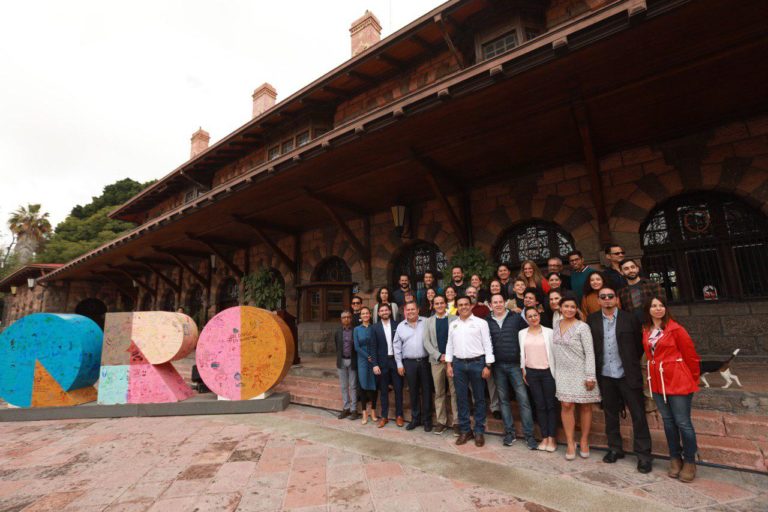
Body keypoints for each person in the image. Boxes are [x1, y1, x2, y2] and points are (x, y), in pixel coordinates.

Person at [586, 287, 652, 473]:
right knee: (610, 414)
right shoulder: (592, 320)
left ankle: (643, 455)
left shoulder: (629, 318)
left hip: (627, 374)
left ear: (616, 299)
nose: (607, 299)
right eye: (603, 297)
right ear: (598, 301)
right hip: (605, 374)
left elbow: (639, 346)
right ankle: (615, 448)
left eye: (610, 296)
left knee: (638, 415)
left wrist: (630, 363)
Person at [643, 296, 701, 482]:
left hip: (678, 380)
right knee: (668, 421)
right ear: (648, 309)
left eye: (661, 305)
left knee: (683, 422)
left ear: (666, 308)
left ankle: (690, 460)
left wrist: (692, 378)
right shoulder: (646, 330)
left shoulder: (676, 329)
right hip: (658, 382)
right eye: (654, 306)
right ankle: (675, 457)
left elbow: (691, 356)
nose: (658, 308)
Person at [552, 294, 600, 460]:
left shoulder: (582, 327)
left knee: (585, 406)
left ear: (577, 309)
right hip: (562, 372)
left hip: (581, 371)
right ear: (560, 308)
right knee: (566, 405)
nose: (569, 309)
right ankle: (570, 442)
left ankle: (584, 440)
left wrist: (590, 376)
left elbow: (590, 352)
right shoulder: (556, 325)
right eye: (566, 306)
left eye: (573, 307)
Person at [487, 294, 536, 449]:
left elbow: (527, 335)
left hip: (515, 365)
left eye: (500, 301)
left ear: (505, 303)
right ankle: (509, 432)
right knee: (503, 400)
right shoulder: (487, 321)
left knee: (523, 399)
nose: (498, 304)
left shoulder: (515, 318)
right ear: (490, 305)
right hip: (498, 366)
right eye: (495, 302)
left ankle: (529, 435)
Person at [446, 296, 495, 447]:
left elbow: (488, 344)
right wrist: (448, 364)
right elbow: (449, 345)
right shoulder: (453, 324)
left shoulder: (481, 323)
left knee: (479, 398)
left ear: (471, 305)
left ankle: (479, 431)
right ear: (457, 307)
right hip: (458, 365)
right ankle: (465, 431)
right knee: (461, 399)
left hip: (477, 363)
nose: (463, 307)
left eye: (466, 304)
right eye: (460, 305)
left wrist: (488, 365)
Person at [519, 307, 557, 452]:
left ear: (539, 315)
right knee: (539, 405)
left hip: (548, 373)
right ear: (526, 319)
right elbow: (522, 353)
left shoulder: (549, 332)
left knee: (550, 405)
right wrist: (523, 369)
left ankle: (552, 438)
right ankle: (544, 437)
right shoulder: (522, 333)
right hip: (532, 373)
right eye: (530, 316)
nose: (533, 318)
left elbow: (554, 353)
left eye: (535, 315)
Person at [393, 301, 432, 432]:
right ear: (405, 312)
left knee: (427, 391)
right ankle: (415, 419)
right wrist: (399, 364)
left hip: (425, 362)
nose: (410, 312)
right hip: (409, 363)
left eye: (412, 309)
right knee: (413, 391)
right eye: (408, 310)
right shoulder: (400, 326)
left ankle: (427, 420)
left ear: (418, 310)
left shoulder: (426, 322)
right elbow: (396, 346)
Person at [423, 295, 457, 435]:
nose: (439, 305)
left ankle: (457, 422)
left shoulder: (455, 319)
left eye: (441, 303)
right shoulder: (428, 321)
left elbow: (458, 339)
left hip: (452, 361)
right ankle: (441, 421)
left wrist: (449, 356)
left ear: (445, 304)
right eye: (436, 303)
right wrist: (438, 355)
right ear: (433, 305)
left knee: (455, 392)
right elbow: (426, 342)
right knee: (439, 392)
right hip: (436, 362)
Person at [370, 303, 404, 428]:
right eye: (382, 310)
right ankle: (384, 416)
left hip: (396, 362)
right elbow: (373, 347)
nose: (384, 312)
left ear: (390, 311)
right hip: (382, 363)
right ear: (379, 313)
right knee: (383, 391)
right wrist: (374, 364)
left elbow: (402, 344)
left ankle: (399, 416)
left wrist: (402, 363)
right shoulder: (374, 327)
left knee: (398, 389)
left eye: (386, 310)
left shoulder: (398, 325)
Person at [354, 307, 378, 425]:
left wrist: (372, 358)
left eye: (367, 313)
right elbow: (356, 347)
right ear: (360, 316)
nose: (365, 315)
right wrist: (367, 356)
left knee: (374, 386)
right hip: (362, 360)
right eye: (363, 313)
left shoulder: (374, 328)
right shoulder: (357, 329)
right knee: (363, 386)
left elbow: (376, 344)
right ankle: (364, 412)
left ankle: (373, 411)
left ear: (370, 315)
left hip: (374, 359)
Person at [334, 310, 359, 420]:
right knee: (344, 386)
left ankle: (354, 409)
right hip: (341, 361)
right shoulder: (338, 332)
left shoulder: (356, 331)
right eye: (344, 317)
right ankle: (346, 408)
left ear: (351, 318)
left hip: (352, 361)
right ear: (341, 319)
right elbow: (337, 346)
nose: (346, 319)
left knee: (353, 386)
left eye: (348, 317)